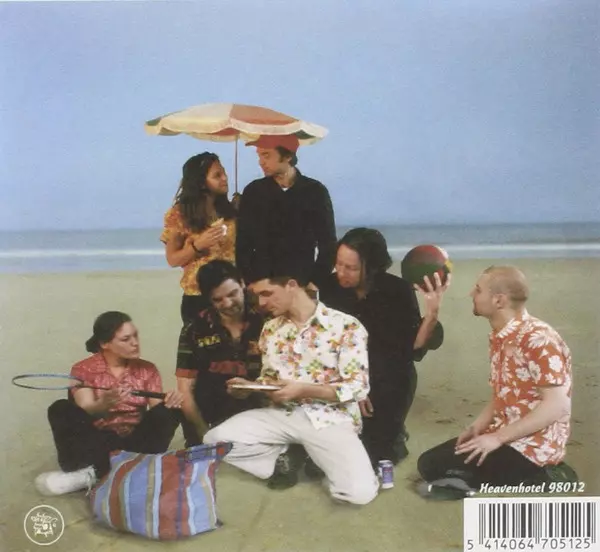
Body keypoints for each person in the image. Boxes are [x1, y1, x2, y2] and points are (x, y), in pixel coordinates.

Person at [202, 273, 380, 505]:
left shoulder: (345, 326)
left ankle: (318, 456)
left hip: (329, 418)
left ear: (291, 285)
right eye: (257, 296)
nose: (261, 303)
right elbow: (270, 378)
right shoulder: (270, 329)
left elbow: (358, 388)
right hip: (281, 414)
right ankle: (286, 456)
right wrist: (250, 387)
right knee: (215, 440)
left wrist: (303, 390)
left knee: (359, 494)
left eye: (267, 293)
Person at [417, 266, 575, 497]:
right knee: (429, 463)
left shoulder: (538, 339)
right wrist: (476, 427)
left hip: (533, 447)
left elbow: (557, 405)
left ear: (499, 300)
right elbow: (502, 395)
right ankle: (474, 479)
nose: (471, 294)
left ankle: (547, 476)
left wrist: (496, 438)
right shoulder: (501, 337)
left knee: (450, 471)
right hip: (505, 435)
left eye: (478, 290)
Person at [319, 228, 449, 467]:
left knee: (376, 456)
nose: (342, 273)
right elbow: (324, 349)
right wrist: (354, 389)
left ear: (372, 267)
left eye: (351, 268)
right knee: (332, 458)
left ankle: (394, 434)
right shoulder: (327, 288)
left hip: (388, 378)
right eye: (339, 264)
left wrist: (432, 313)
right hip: (342, 377)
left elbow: (411, 349)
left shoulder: (397, 291)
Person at [35, 311, 183, 496]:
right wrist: (104, 404)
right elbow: (86, 410)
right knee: (60, 408)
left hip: (133, 443)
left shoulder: (148, 369)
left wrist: (170, 402)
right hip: (96, 443)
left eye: (135, 335)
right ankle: (119, 469)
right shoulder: (83, 369)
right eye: (126, 339)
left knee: (171, 410)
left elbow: (156, 411)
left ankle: (95, 473)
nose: (135, 343)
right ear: (105, 343)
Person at [176, 260, 265, 445]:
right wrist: (205, 435)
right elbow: (185, 390)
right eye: (218, 299)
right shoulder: (194, 329)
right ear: (209, 299)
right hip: (210, 413)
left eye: (233, 294)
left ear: (242, 284)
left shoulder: (267, 321)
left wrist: (253, 388)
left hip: (260, 410)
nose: (228, 303)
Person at [235, 134, 337, 292]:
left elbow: (328, 245)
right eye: (259, 155)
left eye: (266, 155)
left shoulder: (315, 192)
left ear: (288, 156)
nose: (261, 162)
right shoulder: (253, 191)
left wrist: (314, 283)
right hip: (262, 284)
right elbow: (243, 245)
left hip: (302, 284)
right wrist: (252, 282)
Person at [161, 152, 237, 323]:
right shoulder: (180, 214)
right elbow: (172, 259)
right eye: (217, 175)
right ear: (201, 182)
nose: (225, 178)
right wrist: (197, 245)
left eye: (224, 173)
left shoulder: (229, 211)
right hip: (198, 295)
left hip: (231, 293)